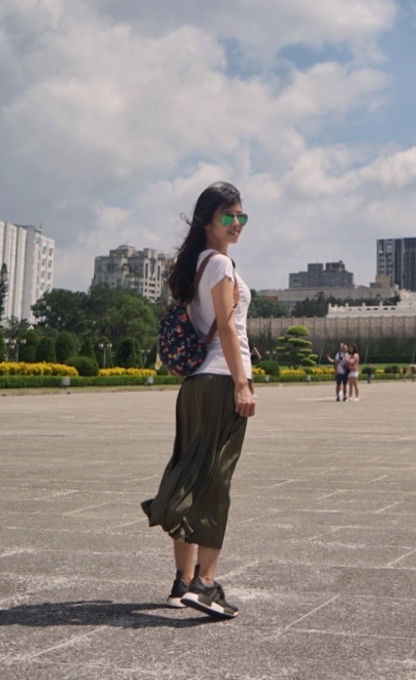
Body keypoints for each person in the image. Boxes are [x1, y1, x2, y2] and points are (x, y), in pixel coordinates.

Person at [142, 182, 255, 620]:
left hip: (193, 385)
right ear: (208, 219)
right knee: (215, 482)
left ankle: (182, 579)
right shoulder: (220, 264)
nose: (237, 224)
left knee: (190, 471)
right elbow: (227, 328)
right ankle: (206, 585)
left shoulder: (194, 266)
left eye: (242, 217)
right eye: (229, 216)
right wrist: (242, 385)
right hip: (220, 382)